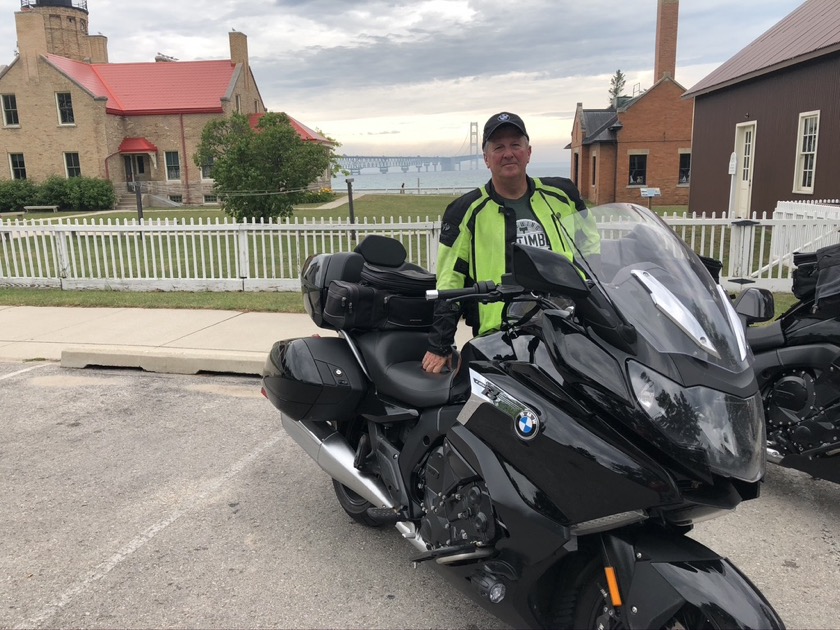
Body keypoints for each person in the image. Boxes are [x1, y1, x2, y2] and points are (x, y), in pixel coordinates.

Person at [421, 111, 599, 373]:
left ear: (529, 152)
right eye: (499, 147)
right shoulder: (465, 211)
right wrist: (440, 344)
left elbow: (592, 255)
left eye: (516, 145)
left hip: (568, 326)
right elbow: (451, 281)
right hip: (501, 338)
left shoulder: (563, 196)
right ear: (486, 158)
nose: (508, 153)